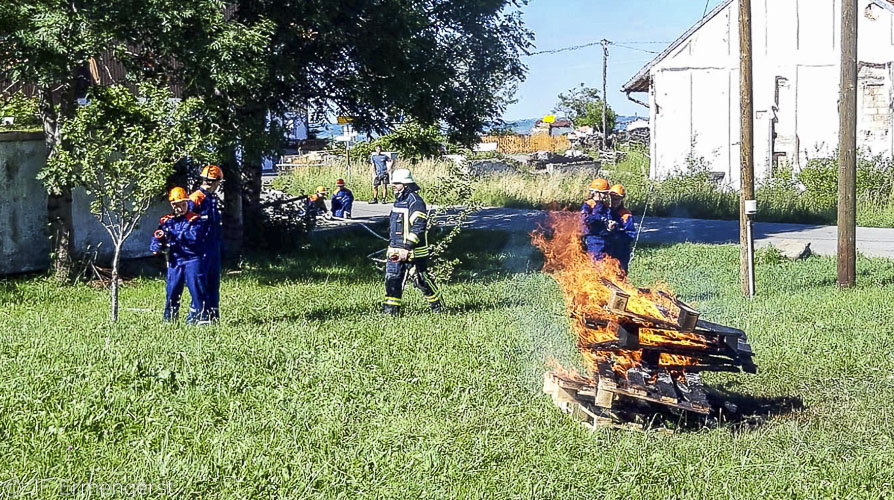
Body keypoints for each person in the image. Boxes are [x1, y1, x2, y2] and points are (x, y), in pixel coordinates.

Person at [382, 168, 444, 315]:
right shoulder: (399, 201)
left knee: (421, 280)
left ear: (405, 184)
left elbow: (418, 226)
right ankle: (390, 312)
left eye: (396, 184)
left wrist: (407, 247)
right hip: (395, 249)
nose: (393, 186)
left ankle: (438, 306)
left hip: (414, 251)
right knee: (392, 279)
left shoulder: (416, 202)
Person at [151, 187, 208, 323]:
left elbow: (193, 238)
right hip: (175, 259)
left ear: (187, 202)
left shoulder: (195, 219)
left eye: (183, 204)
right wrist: (156, 244)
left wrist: (175, 234)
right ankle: (169, 320)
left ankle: (196, 320)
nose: (181, 208)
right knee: (172, 290)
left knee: (196, 290)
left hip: (192, 259)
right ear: (172, 205)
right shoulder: (166, 221)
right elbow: (158, 235)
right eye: (177, 205)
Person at [189, 164, 223, 322]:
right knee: (200, 284)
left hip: (212, 248)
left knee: (212, 283)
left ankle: (213, 317)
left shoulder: (211, 198)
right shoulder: (196, 198)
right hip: (199, 249)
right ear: (215, 182)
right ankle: (197, 317)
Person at [606, 183, 637, 273]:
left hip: (621, 250)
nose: (614, 201)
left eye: (617, 199)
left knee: (621, 273)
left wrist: (617, 232)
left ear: (622, 199)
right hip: (608, 248)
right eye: (612, 199)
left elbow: (630, 234)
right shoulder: (606, 211)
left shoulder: (626, 215)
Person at [581, 178, 612, 261]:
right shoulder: (589, 204)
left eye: (606, 193)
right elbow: (586, 219)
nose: (605, 196)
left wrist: (610, 224)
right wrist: (600, 217)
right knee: (596, 262)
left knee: (607, 262)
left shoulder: (605, 205)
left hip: (605, 237)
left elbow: (608, 217)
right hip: (593, 238)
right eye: (603, 193)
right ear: (595, 192)